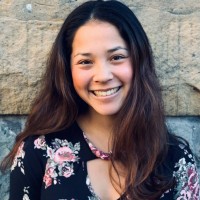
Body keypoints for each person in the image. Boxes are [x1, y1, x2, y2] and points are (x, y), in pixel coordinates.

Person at [1, 0, 199, 199]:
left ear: (139, 60)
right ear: (67, 70)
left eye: (116, 57)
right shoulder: (37, 151)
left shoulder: (176, 159)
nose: (103, 76)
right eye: (85, 61)